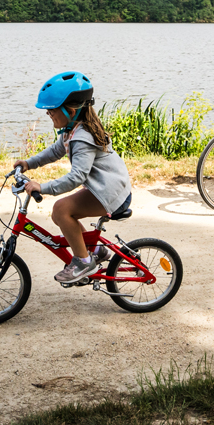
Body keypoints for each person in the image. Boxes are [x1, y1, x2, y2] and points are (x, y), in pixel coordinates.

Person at [13, 72, 132, 284]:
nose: (48, 113)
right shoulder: (72, 130)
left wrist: (43, 187)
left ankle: (83, 261)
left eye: (51, 110)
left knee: (61, 210)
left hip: (110, 193)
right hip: (106, 187)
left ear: (71, 110)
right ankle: (96, 250)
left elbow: (77, 176)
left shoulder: (82, 137)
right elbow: (55, 151)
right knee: (60, 214)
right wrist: (29, 163)